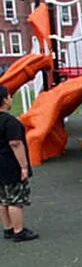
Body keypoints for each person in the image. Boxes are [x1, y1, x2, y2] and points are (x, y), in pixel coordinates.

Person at [0, 85, 37, 242]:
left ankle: (8, 228)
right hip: (10, 165)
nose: (11, 98)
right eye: (9, 96)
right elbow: (15, 143)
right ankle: (18, 231)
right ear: (4, 100)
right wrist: (23, 166)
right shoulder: (10, 122)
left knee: (2, 199)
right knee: (15, 200)